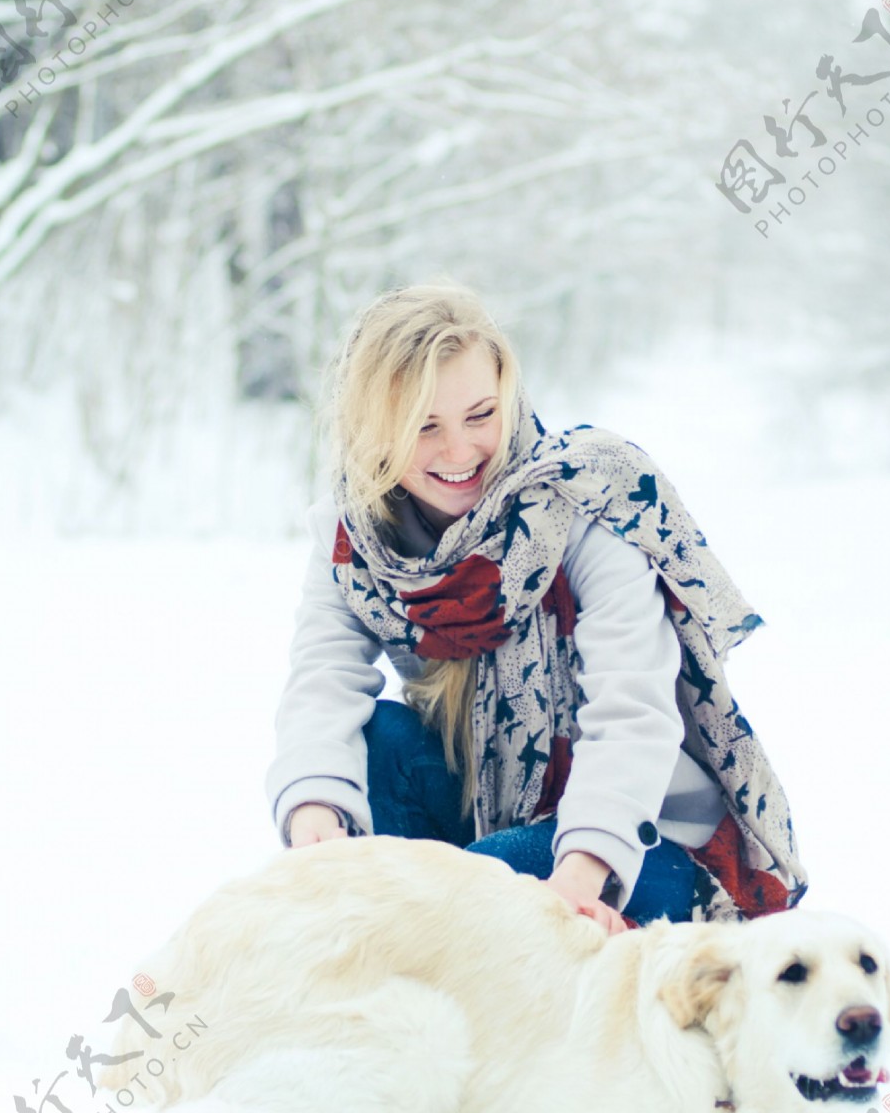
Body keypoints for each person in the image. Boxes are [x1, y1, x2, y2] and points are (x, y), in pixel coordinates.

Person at [266, 281, 807, 932]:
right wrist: (314, 816)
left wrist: (580, 870)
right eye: (424, 427)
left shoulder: (579, 503)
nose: (460, 451)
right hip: (484, 813)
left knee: (486, 880)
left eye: (479, 415)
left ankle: (411, 942)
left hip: (640, 841)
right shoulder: (358, 537)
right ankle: (406, 944)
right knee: (379, 745)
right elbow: (320, 685)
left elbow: (631, 711)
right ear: (376, 433)